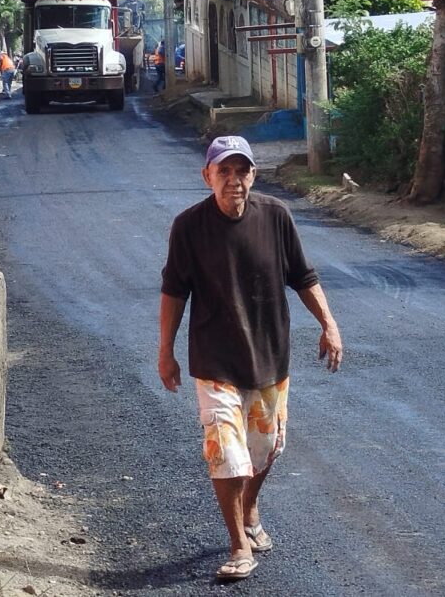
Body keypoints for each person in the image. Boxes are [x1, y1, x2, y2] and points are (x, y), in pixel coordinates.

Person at [159, 136, 343, 582]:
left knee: (265, 450)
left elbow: (302, 276)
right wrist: (165, 350)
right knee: (226, 452)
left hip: (269, 357)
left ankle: (251, 506)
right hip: (214, 360)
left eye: (242, 172)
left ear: (253, 176)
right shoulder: (189, 227)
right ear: (208, 177)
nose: (233, 181)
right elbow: (174, 291)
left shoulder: (275, 217)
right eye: (224, 172)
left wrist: (329, 325)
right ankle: (238, 545)